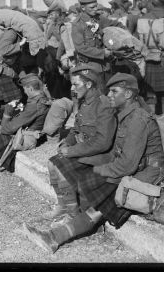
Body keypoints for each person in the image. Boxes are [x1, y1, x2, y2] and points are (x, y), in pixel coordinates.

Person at [22, 72, 164, 254]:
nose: (109, 96)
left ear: (128, 95)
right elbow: (119, 154)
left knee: (101, 200)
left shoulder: (137, 119)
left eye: (114, 92)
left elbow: (126, 165)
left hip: (149, 173)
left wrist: (98, 170)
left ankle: (54, 237)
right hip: (134, 167)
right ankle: (59, 234)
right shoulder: (124, 114)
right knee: (91, 186)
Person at [42, 64, 117, 221]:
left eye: (76, 84)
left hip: (100, 155)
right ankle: (63, 206)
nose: (72, 88)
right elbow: (76, 129)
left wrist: (72, 151)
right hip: (85, 149)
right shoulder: (84, 102)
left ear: (89, 84)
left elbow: (103, 142)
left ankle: (73, 213)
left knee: (60, 166)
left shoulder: (103, 105)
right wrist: (67, 143)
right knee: (51, 163)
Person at [70, 0, 119, 82]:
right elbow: (81, 48)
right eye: (92, 7)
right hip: (89, 67)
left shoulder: (99, 19)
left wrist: (124, 34)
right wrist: (103, 53)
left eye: (96, 6)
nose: (96, 9)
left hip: (105, 66)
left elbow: (115, 24)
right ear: (83, 8)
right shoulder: (77, 24)